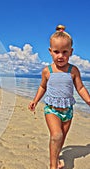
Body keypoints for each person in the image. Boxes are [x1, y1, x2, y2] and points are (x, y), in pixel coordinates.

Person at [28, 25, 90, 169]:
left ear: (71, 52)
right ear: (50, 51)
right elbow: (42, 87)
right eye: (56, 52)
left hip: (68, 111)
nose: (60, 56)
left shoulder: (73, 70)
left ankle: (56, 158)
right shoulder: (47, 71)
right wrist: (35, 101)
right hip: (52, 110)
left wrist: (88, 100)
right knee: (56, 135)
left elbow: (80, 88)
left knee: (61, 139)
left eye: (64, 52)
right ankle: (53, 165)